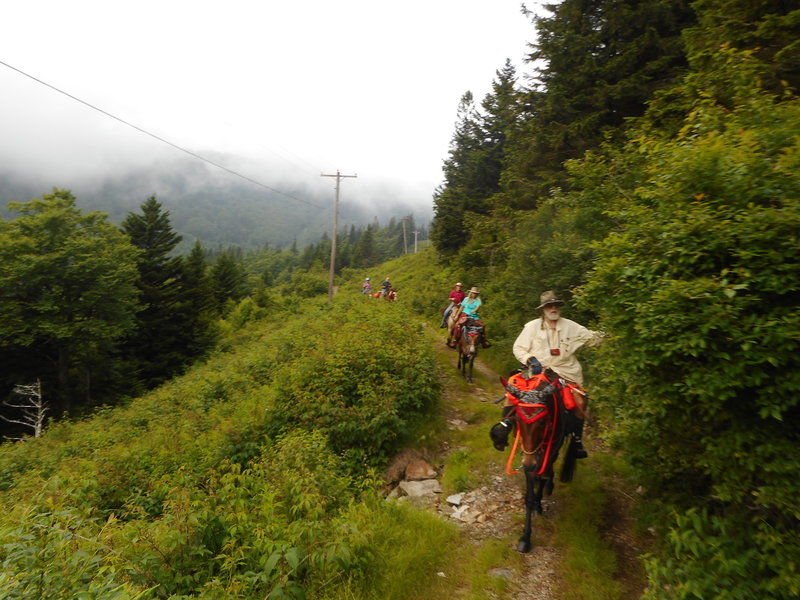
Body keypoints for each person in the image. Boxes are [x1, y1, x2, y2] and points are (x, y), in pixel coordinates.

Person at [503, 290, 603, 457]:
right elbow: (518, 348)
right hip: (538, 371)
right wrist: (530, 359)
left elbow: (592, 338)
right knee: (511, 391)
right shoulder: (531, 327)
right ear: (543, 309)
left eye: (556, 305)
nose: (553, 308)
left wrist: (614, 333)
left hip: (566, 372)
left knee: (580, 400)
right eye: (549, 305)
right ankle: (503, 428)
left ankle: (576, 441)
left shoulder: (572, 326)